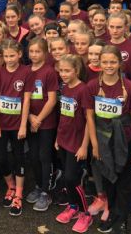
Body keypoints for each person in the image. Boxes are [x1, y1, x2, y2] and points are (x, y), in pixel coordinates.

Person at [85, 46, 131, 234]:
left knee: (124, 180)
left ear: (120, 63)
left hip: (125, 141)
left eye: (113, 62)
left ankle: (122, 217)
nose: (109, 65)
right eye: (105, 62)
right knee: (108, 178)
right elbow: (90, 117)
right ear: (99, 63)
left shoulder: (130, 87)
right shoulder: (92, 86)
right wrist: (94, 144)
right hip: (102, 141)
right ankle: (111, 212)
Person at [0, 39, 31, 217]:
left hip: (17, 125)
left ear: (19, 54)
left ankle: (19, 194)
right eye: (6, 56)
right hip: (1, 123)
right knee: (1, 157)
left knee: (19, 157)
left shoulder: (26, 72)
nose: (9, 59)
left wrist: (23, 125)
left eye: (12, 56)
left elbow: (27, 100)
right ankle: (11, 185)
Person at [55, 54, 92, 233]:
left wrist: (84, 146)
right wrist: (57, 137)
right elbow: (63, 115)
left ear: (76, 71)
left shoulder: (83, 90)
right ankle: (73, 206)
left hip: (77, 143)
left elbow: (89, 121)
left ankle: (85, 213)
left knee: (72, 178)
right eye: (61, 70)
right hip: (63, 139)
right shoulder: (64, 88)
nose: (63, 74)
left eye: (67, 70)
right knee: (66, 178)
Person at [26, 37, 59, 212]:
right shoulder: (25, 71)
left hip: (46, 122)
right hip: (30, 120)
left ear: (45, 53)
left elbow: (52, 100)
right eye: (31, 51)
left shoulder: (49, 72)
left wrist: (38, 119)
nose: (34, 54)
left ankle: (47, 191)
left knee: (44, 156)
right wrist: (30, 117)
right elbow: (22, 98)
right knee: (33, 156)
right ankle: (39, 185)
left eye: (38, 51)